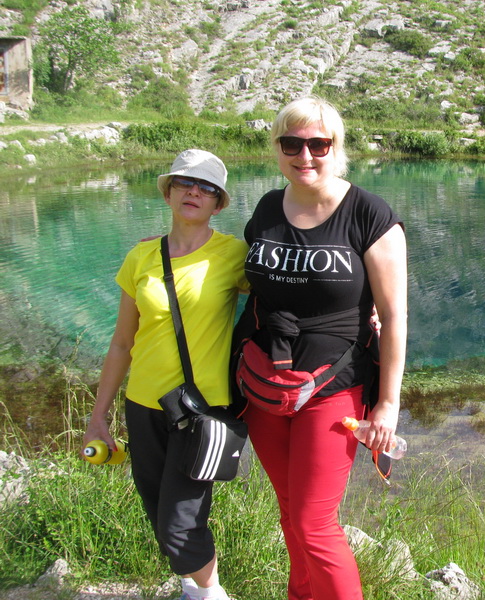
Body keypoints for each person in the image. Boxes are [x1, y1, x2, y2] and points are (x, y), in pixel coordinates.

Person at [232, 96, 407, 600]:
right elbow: (251, 279)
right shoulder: (268, 207)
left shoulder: (369, 214)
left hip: (334, 386)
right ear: (277, 148)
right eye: (291, 143)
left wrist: (388, 404)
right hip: (266, 383)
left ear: (337, 147)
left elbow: (394, 316)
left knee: (314, 522)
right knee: (291, 514)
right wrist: (179, 247)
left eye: (318, 144)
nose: (304, 155)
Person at [83, 149, 248, 600]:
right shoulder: (141, 256)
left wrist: (364, 308)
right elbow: (122, 343)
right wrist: (98, 417)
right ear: (168, 193)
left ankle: (212, 595)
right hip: (143, 405)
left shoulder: (234, 254)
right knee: (158, 513)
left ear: (218, 203)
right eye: (184, 183)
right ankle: (195, 591)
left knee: (180, 527)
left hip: (202, 410)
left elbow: (286, 290)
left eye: (207, 188)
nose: (194, 192)